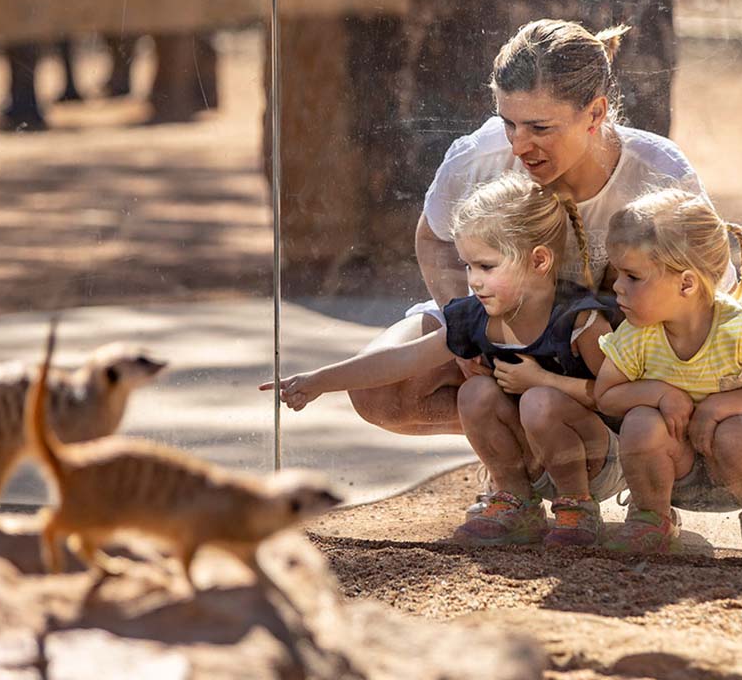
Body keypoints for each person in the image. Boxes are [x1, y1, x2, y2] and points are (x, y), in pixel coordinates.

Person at [348, 18, 714, 440]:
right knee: (378, 391)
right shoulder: (479, 156)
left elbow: (708, 292)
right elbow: (434, 237)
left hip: (614, 344)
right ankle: (521, 448)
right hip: (506, 323)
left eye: (540, 128)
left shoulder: (660, 171)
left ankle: (600, 446)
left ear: (595, 113)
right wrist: (467, 329)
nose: (519, 145)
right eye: (509, 123)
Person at [262, 171, 622, 547]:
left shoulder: (580, 321)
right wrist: (318, 381)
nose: (473, 280)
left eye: (486, 266)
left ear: (539, 261)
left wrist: (544, 381)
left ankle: (578, 508)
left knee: (539, 401)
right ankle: (516, 501)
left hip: (595, 461)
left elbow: (614, 398)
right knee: (476, 393)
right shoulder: (475, 317)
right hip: (534, 455)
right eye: (468, 266)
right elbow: (402, 360)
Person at [593, 188, 742, 564]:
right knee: (641, 422)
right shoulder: (637, 333)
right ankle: (651, 519)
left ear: (686, 284)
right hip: (674, 469)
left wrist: (716, 409)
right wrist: (659, 394)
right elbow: (605, 395)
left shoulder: (740, 328)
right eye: (617, 273)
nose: (617, 285)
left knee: (740, 431)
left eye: (632, 276)